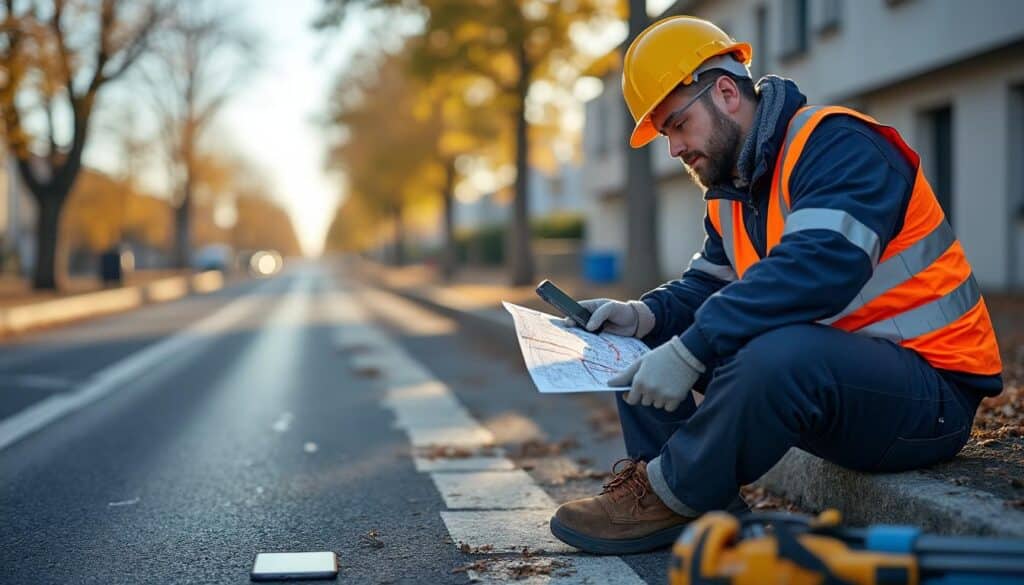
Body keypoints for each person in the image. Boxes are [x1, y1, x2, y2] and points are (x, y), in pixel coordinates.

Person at [548, 15, 1003, 555]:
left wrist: (691, 349)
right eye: (666, 134)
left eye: (678, 124)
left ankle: (675, 493)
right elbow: (706, 289)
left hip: (930, 397)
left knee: (777, 352)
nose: (674, 148)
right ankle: (676, 498)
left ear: (726, 93)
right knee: (640, 342)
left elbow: (819, 268)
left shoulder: (838, 145)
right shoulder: (733, 193)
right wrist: (642, 317)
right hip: (836, 382)